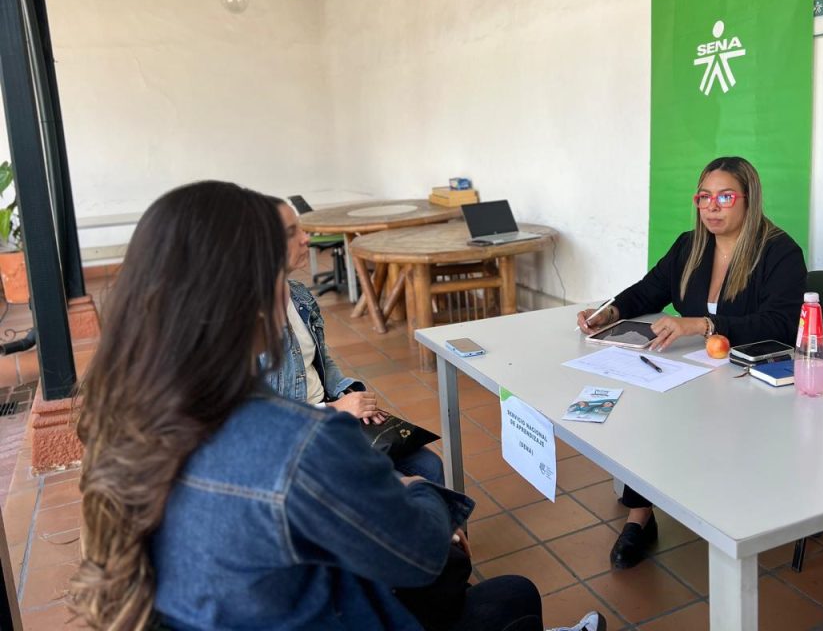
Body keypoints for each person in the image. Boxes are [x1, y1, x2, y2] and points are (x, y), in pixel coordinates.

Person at [69, 181, 605, 631]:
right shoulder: (296, 443)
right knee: (512, 595)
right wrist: (415, 491)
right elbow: (419, 552)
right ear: (248, 294)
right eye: (274, 271)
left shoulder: (124, 423)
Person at [576, 156, 806, 569]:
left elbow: (782, 325)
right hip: (696, 373)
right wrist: (609, 312)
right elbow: (648, 290)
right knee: (644, 407)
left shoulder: (780, 252)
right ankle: (639, 515)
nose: (712, 207)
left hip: (750, 379)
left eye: (725, 197)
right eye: (704, 197)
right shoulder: (690, 245)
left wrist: (703, 324)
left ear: (749, 199)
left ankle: (733, 507)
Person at [265, 200, 443, 483]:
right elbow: (262, 420)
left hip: (330, 416)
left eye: (301, 229)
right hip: (300, 437)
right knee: (399, 483)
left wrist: (349, 396)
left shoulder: (298, 295)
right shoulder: (247, 326)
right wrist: (336, 410)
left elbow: (322, 361)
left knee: (430, 466)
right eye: (291, 232)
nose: (305, 238)